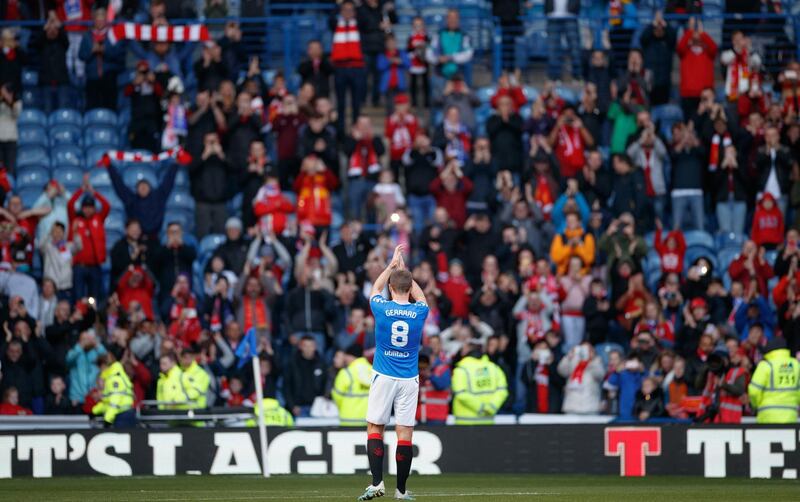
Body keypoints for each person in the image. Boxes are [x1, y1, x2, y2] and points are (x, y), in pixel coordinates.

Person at [360, 245, 428, 501]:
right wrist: (405, 272)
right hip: (409, 379)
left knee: (375, 427)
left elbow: (374, 290)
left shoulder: (381, 307)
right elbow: (422, 298)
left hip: (384, 375)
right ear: (410, 289)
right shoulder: (419, 311)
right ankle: (400, 491)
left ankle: (377, 483)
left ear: (391, 288)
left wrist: (391, 266)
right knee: (405, 433)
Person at [451, 339, 509, 423]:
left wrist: (481, 408)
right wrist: (491, 407)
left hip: (465, 422)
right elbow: (502, 391)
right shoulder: (494, 368)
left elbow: (461, 393)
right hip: (488, 420)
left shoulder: (461, 370)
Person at [748, 337, 800, 424]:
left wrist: (755, 404)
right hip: (790, 417)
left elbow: (753, 391)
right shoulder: (796, 365)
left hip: (767, 416)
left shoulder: (766, 365)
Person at [331, 344, 372, 426]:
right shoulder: (373, 370)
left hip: (348, 420)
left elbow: (337, 396)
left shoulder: (346, 373)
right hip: (370, 421)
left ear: (350, 356)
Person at [91, 354, 135, 427]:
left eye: (99, 367)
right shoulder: (112, 377)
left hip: (123, 416)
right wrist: (95, 411)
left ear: (103, 365)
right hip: (122, 414)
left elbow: (115, 401)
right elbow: (108, 402)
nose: (99, 370)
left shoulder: (114, 379)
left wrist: (108, 419)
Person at [544, 0, 581, 81]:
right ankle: (555, 77)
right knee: (553, 49)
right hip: (552, 17)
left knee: (575, 48)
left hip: (571, 17)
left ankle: (577, 76)